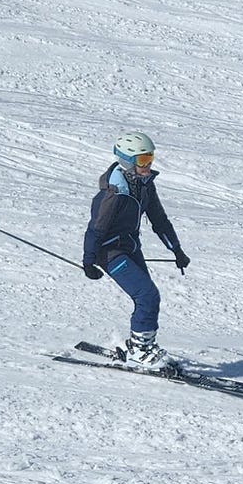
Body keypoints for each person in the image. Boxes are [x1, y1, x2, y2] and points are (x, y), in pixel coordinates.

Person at [81, 131, 190, 369]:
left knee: (147, 296)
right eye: (142, 160)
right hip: (109, 252)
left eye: (150, 158)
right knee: (147, 295)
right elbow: (95, 230)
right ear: (128, 161)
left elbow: (160, 220)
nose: (148, 165)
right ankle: (140, 351)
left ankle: (142, 344)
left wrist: (177, 250)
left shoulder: (144, 186)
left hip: (130, 248)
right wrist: (89, 261)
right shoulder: (113, 194)